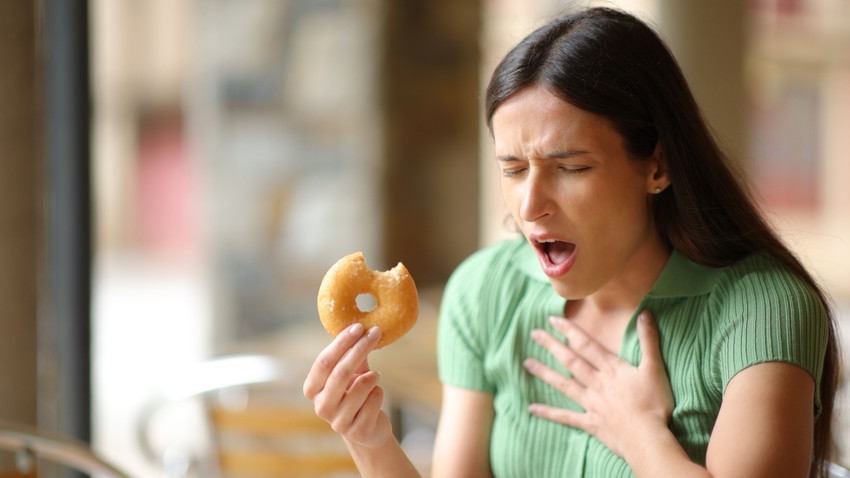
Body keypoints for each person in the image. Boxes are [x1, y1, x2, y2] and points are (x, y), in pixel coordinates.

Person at [302, 6, 840, 478]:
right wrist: (370, 441)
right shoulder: (485, 292)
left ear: (658, 164)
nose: (531, 205)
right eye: (512, 169)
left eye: (572, 167)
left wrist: (638, 434)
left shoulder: (763, 311)